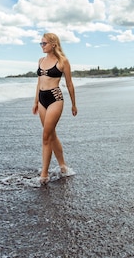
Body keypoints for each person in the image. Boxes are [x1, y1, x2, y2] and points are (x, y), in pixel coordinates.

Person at [32, 32, 77, 184]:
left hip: (55, 98)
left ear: (53, 44)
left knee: (45, 135)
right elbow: (39, 83)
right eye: (41, 43)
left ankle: (44, 175)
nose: (42, 46)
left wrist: (73, 104)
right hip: (42, 99)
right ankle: (63, 165)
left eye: (44, 43)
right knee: (51, 134)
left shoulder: (62, 61)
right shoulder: (40, 60)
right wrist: (35, 101)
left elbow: (69, 84)